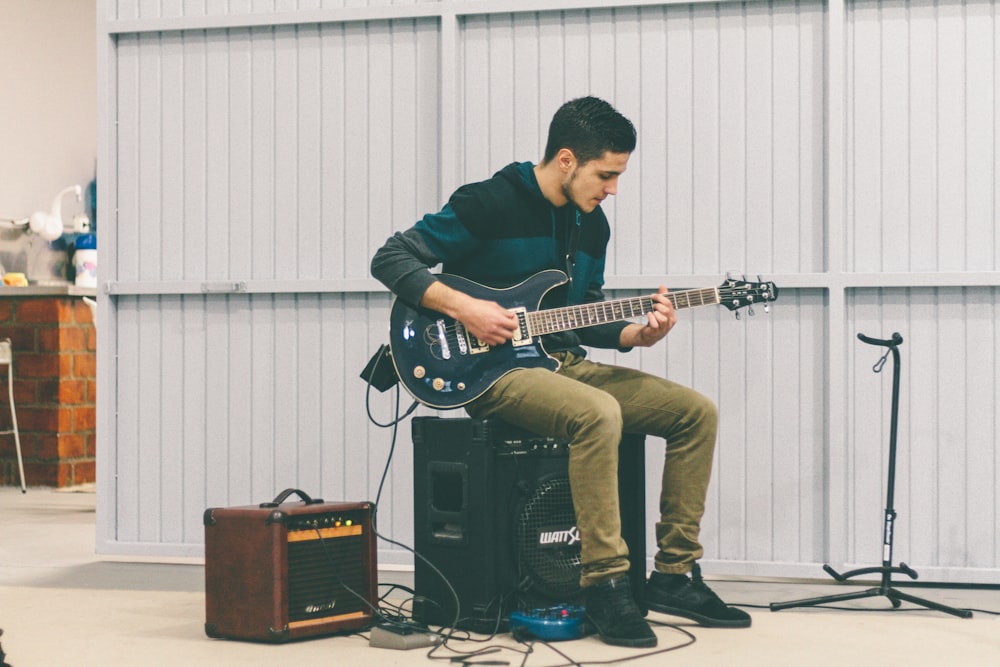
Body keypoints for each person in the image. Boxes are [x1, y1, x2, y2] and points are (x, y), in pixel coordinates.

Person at [371, 96, 750, 647]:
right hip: (491, 373)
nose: (613, 189)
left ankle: (672, 576)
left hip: (560, 362)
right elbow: (391, 258)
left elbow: (584, 313)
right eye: (607, 174)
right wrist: (465, 307)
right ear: (567, 160)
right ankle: (606, 586)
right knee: (598, 413)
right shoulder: (488, 202)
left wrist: (638, 334)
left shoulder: (591, 226)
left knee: (695, 412)